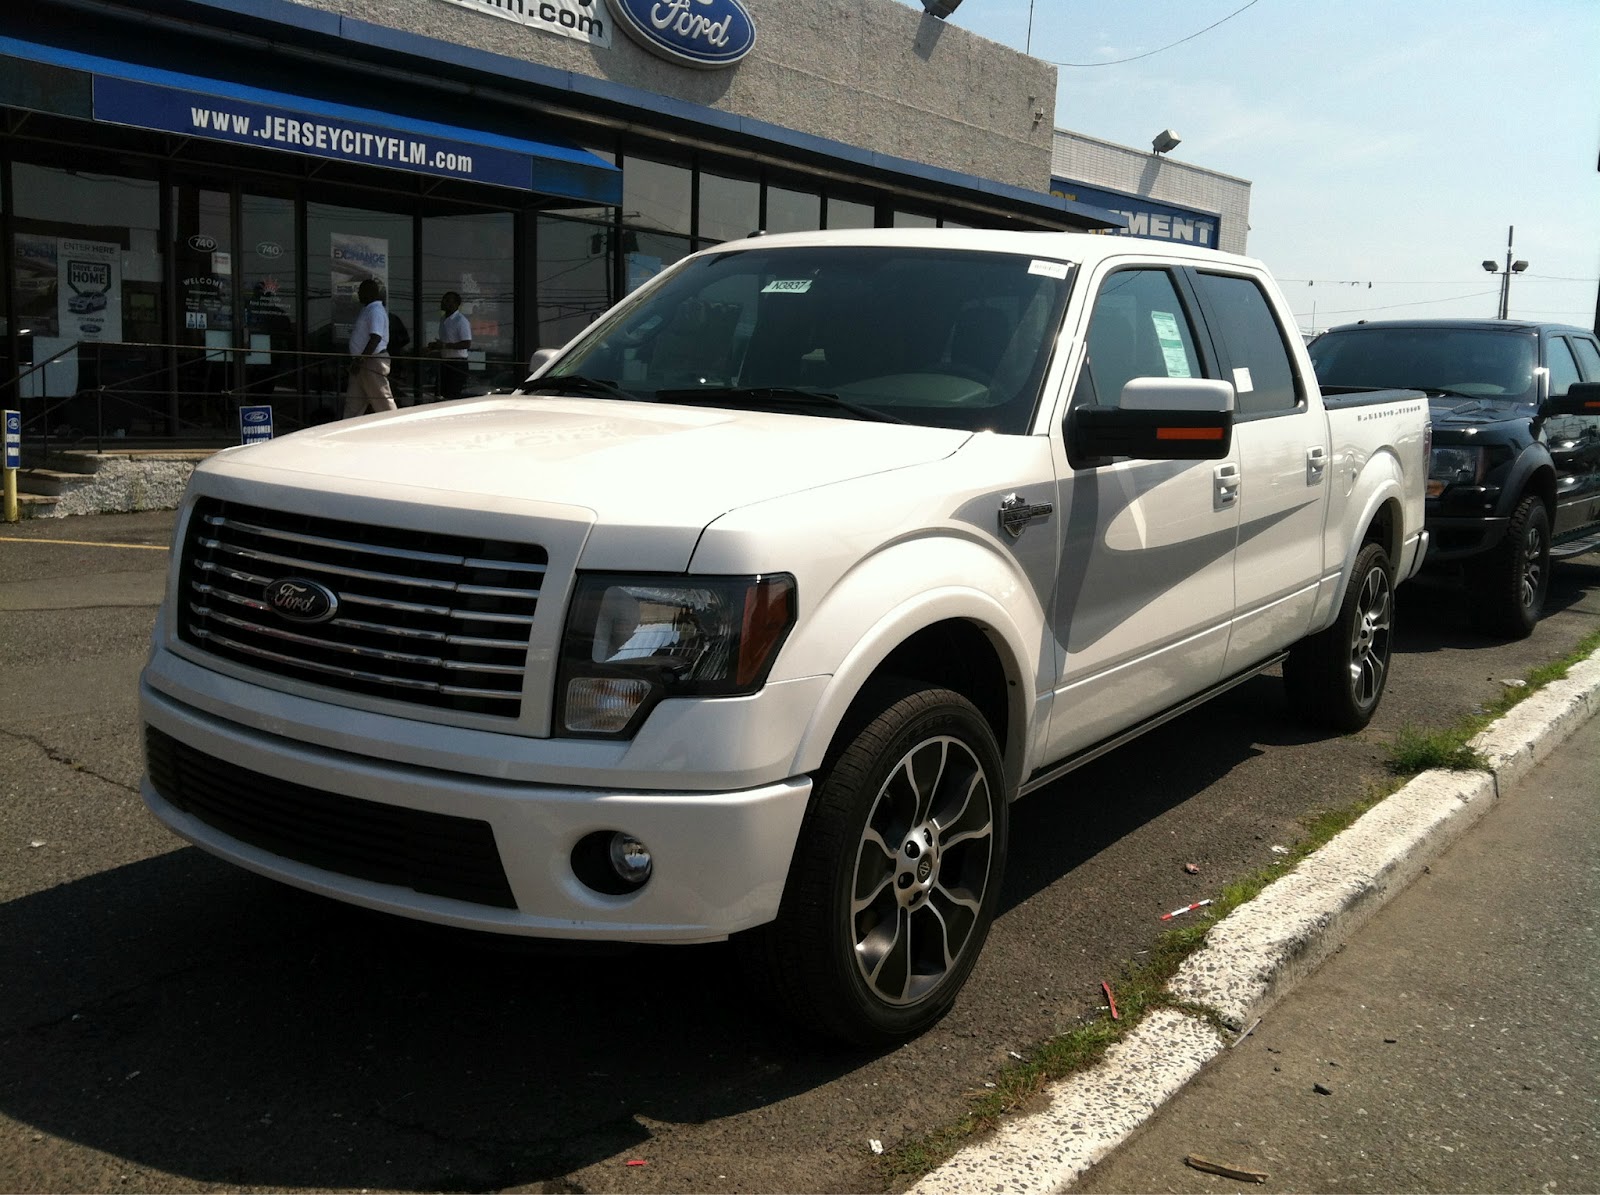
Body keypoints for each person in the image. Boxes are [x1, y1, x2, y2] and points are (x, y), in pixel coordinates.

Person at [343, 277, 395, 418]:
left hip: (370, 361)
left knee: (382, 401)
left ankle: (396, 431)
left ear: (370, 292)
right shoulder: (368, 309)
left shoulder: (376, 310)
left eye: (360, 291)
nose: (358, 294)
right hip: (362, 362)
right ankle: (347, 432)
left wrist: (361, 359)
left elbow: (376, 338)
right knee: (353, 403)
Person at [427, 290, 472, 401]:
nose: (443, 303)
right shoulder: (443, 319)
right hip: (445, 361)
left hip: (457, 363)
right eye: (443, 300)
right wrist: (435, 346)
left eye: (447, 300)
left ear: (456, 304)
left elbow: (467, 343)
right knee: (439, 393)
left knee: (452, 395)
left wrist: (444, 345)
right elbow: (445, 342)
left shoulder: (461, 321)